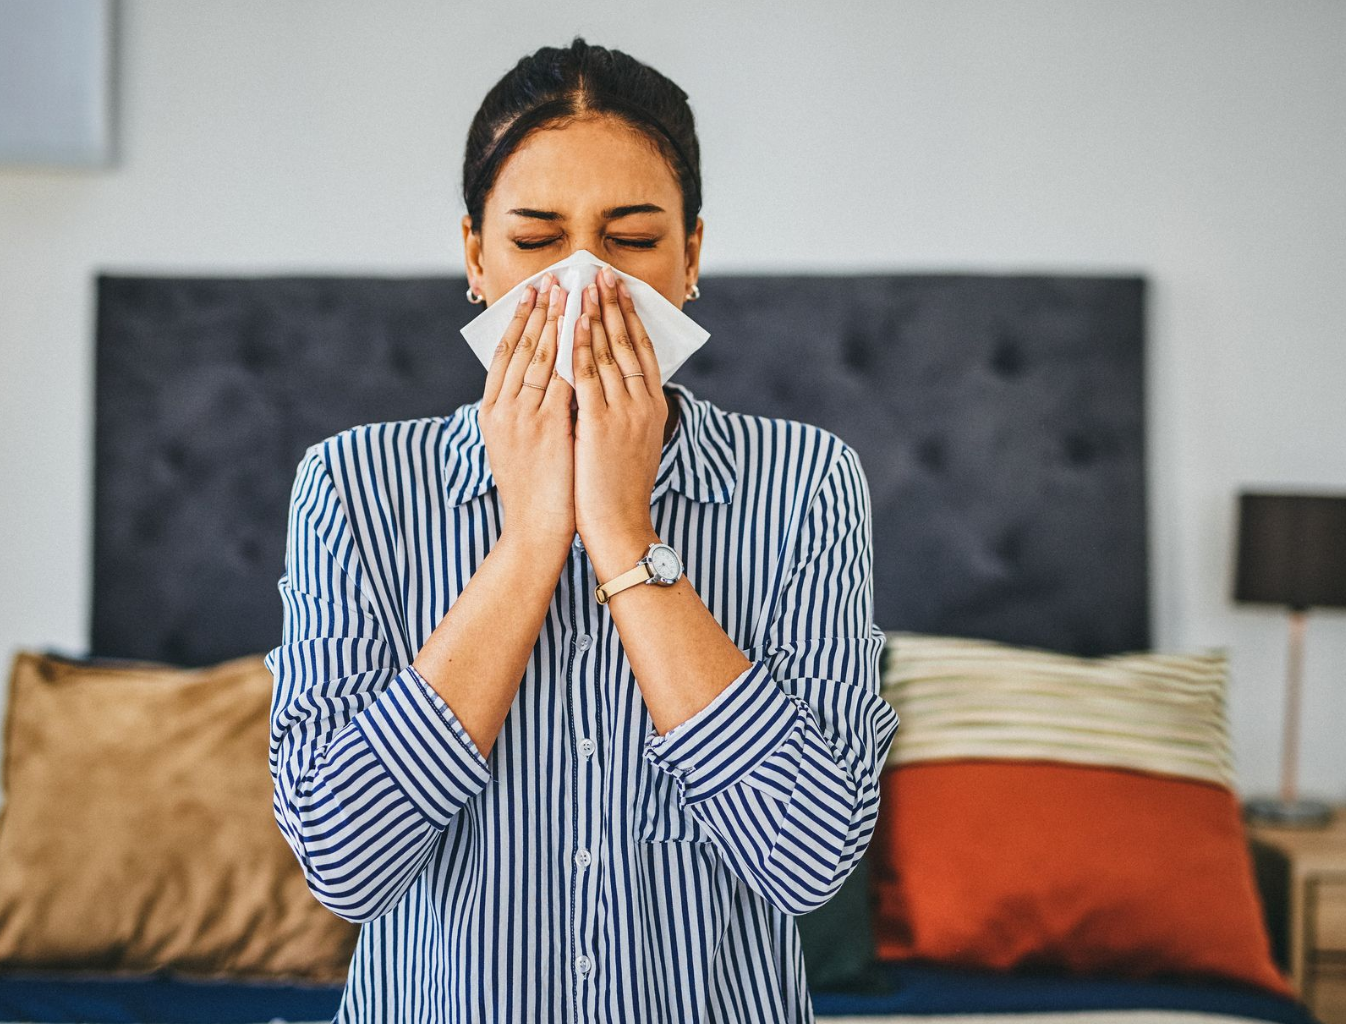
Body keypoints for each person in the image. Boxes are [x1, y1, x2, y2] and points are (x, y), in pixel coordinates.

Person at [265, 36, 900, 1024]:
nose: (584, 285)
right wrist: (526, 546)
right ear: (475, 255)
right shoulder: (353, 488)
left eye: (633, 239)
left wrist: (617, 530)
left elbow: (809, 856)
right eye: (535, 239)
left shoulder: (805, 483)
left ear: (691, 257)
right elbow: (344, 864)